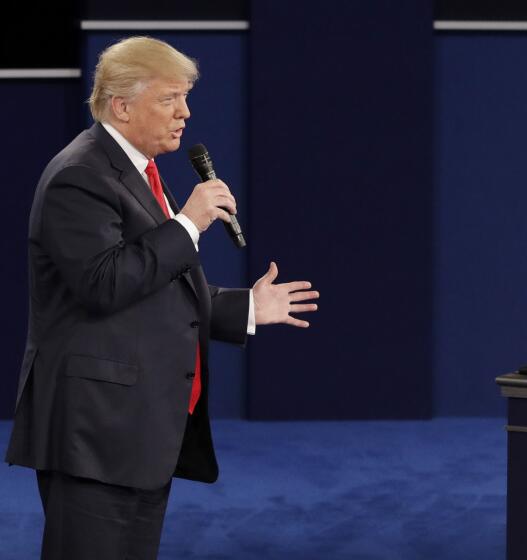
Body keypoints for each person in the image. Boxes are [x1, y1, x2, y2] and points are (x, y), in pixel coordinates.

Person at [4, 36, 320, 559]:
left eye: (186, 97)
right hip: (94, 434)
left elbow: (154, 287)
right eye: (170, 99)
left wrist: (245, 309)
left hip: (137, 431)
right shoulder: (79, 175)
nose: (186, 113)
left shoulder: (138, 171)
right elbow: (104, 284)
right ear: (122, 105)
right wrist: (188, 223)